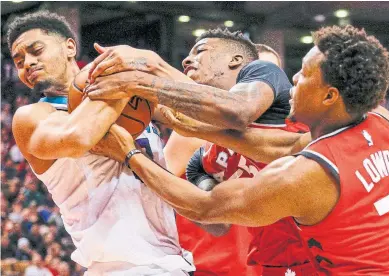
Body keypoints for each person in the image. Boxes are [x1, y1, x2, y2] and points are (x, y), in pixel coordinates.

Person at [90, 25, 389, 275]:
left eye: (304, 74)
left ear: (330, 97)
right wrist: (186, 126)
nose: (294, 78)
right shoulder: (381, 123)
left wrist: (129, 153)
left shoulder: (304, 174)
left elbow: (206, 208)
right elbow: (271, 143)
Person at [85, 29, 312, 274]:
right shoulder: (204, 159)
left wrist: (149, 70)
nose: (186, 60)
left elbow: (237, 112)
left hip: (322, 249)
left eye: (201, 50)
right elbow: (211, 216)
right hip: (269, 262)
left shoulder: (263, 73)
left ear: (237, 62)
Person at [8, 11, 194, 275]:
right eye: (19, 61)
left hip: (170, 260)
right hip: (117, 267)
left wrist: (151, 67)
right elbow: (78, 137)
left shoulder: (132, 103)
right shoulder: (32, 117)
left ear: (70, 47)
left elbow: (195, 123)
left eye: (36, 50)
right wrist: (123, 79)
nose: (27, 63)